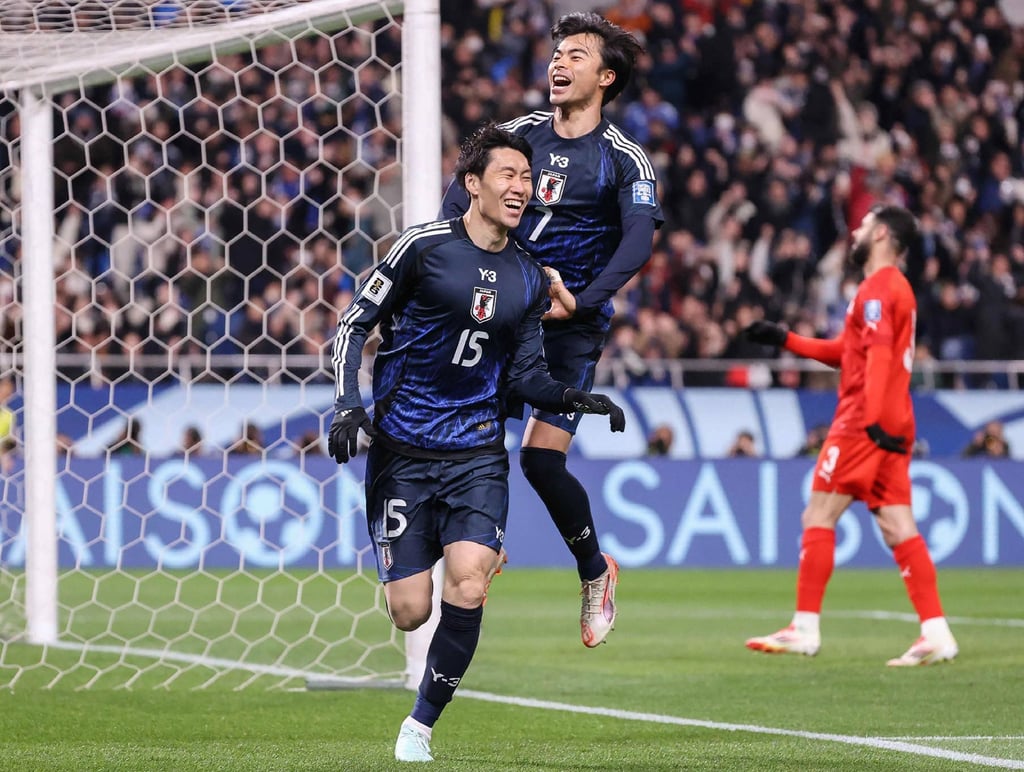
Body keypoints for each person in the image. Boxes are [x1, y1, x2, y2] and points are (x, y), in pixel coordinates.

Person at [327, 124, 626, 764]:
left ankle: (419, 727)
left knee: (465, 585)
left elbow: (526, 377)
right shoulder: (422, 248)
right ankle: (470, 547)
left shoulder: (529, 276)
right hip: (402, 452)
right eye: (508, 176)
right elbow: (354, 324)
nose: (521, 188)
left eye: (527, 178)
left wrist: (576, 399)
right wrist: (349, 404)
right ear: (472, 184)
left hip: (476, 453)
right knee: (410, 611)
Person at [441, 11, 663, 649]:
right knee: (470, 433)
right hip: (501, 313)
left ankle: (595, 570)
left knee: (540, 459)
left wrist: (583, 302)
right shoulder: (516, 136)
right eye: (556, 53)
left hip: (569, 328)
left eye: (575, 56)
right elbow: (457, 203)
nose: (558, 63)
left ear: (606, 77)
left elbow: (638, 239)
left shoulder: (623, 158)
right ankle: (482, 540)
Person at [742, 204, 958, 667]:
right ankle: (936, 632)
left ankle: (804, 628)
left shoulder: (878, 288)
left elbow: (876, 356)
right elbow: (849, 351)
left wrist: (872, 419)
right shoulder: (895, 288)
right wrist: (786, 339)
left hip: (864, 419)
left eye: (863, 226)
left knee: (818, 514)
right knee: (898, 525)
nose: (856, 232)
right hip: (895, 419)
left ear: (880, 235)